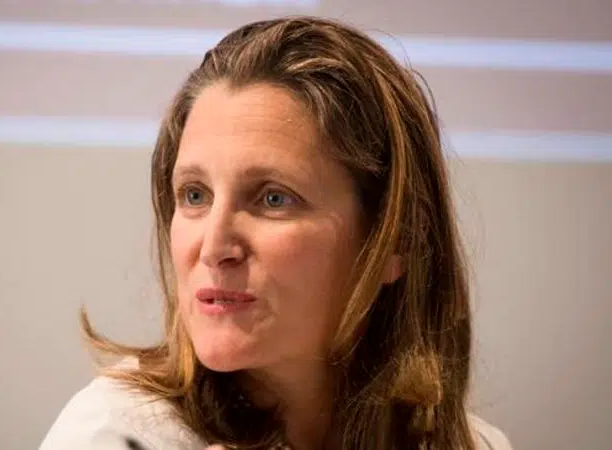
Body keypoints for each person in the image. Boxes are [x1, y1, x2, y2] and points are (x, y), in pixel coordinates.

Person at [39, 16, 513, 450]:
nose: (214, 247)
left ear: (395, 238)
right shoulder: (112, 435)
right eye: (195, 195)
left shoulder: (474, 445)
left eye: (273, 198)